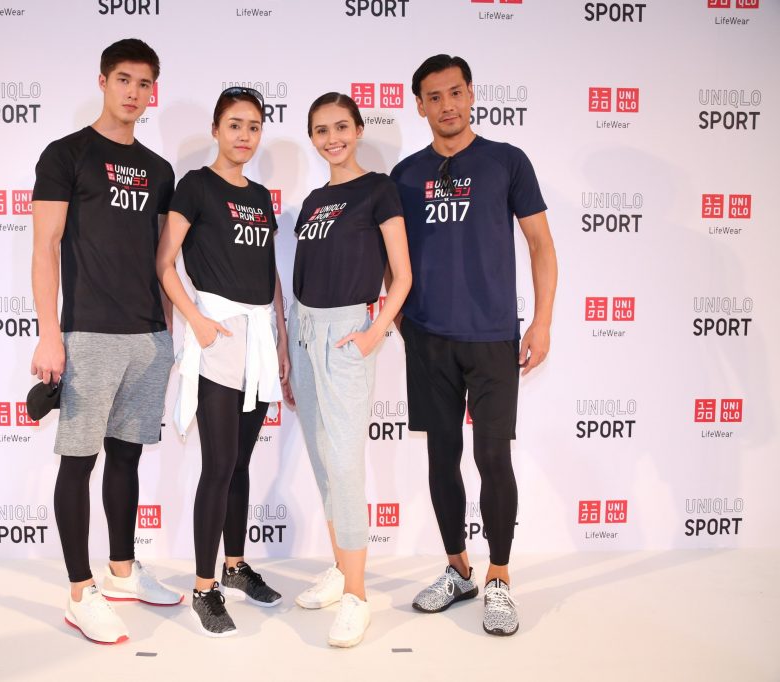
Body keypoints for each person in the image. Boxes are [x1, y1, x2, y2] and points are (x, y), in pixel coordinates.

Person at [391, 54, 557, 636]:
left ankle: (499, 578)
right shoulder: (404, 175)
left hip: (491, 338)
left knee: (492, 458)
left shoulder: (506, 161)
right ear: (419, 106)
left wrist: (541, 323)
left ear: (471, 94)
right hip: (428, 339)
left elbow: (540, 244)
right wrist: (401, 319)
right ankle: (458, 570)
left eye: (456, 92)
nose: (448, 105)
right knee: (442, 457)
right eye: (435, 97)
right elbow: (392, 255)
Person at [30, 38, 182, 645]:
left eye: (144, 84)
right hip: (87, 332)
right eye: (123, 79)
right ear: (102, 81)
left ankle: (122, 572)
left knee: (127, 457)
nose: (133, 93)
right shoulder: (66, 154)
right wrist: (49, 334)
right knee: (79, 460)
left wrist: (167, 331)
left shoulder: (160, 170)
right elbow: (45, 248)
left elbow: (163, 259)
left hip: (147, 334)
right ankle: (79, 592)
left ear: (153, 92)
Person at [156, 87, 288, 637]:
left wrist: (281, 337)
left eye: (254, 126)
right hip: (216, 336)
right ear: (216, 129)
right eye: (235, 125)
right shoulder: (196, 186)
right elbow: (165, 262)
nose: (244, 136)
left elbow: (268, 270)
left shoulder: (258, 196)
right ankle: (204, 587)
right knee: (217, 465)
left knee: (240, 464)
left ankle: (235, 566)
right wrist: (197, 321)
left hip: (258, 338)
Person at [286, 93, 412, 648]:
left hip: (347, 334)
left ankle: (358, 596)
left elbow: (401, 276)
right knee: (322, 459)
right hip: (304, 328)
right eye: (321, 130)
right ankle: (341, 569)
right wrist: (293, 345)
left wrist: (373, 333)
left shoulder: (379, 189)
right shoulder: (313, 201)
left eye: (341, 126)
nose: (332, 138)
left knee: (344, 461)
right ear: (312, 138)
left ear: (358, 129)